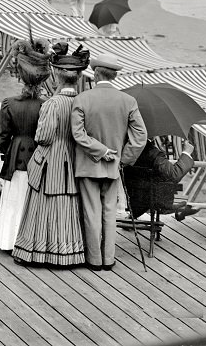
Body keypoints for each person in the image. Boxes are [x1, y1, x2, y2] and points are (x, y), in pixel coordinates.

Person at [11, 48, 87, 268]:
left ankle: (40, 251)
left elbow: (43, 137)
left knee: (43, 205)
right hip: (72, 159)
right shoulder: (81, 102)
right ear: (79, 77)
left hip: (51, 159)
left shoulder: (52, 104)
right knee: (67, 204)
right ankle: (67, 252)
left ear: (57, 75)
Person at [71, 54, 147, 270]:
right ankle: (108, 259)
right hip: (114, 166)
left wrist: (100, 150)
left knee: (91, 213)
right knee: (109, 212)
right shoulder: (128, 101)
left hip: (87, 165)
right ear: (114, 76)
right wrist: (123, 159)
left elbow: (78, 134)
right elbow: (140, 137)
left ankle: (94, 260)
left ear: (95, 74)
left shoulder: (82, 99)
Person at [0, 77, 44, 251]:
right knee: (33, 196)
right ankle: (30, 242)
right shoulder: (44, 105)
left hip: (16, 151)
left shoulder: (9, 103)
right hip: (37, 153)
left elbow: (4, 134)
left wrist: (5, 151)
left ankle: (9, 240)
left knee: (14, 196)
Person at [127, 138, 198, 220]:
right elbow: (174, 174)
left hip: (134, 198)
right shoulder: (152, 153)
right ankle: (180, 209)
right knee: (171, 184)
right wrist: (187, 153)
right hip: (155, 199)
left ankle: (133, 215)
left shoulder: (128, 148)